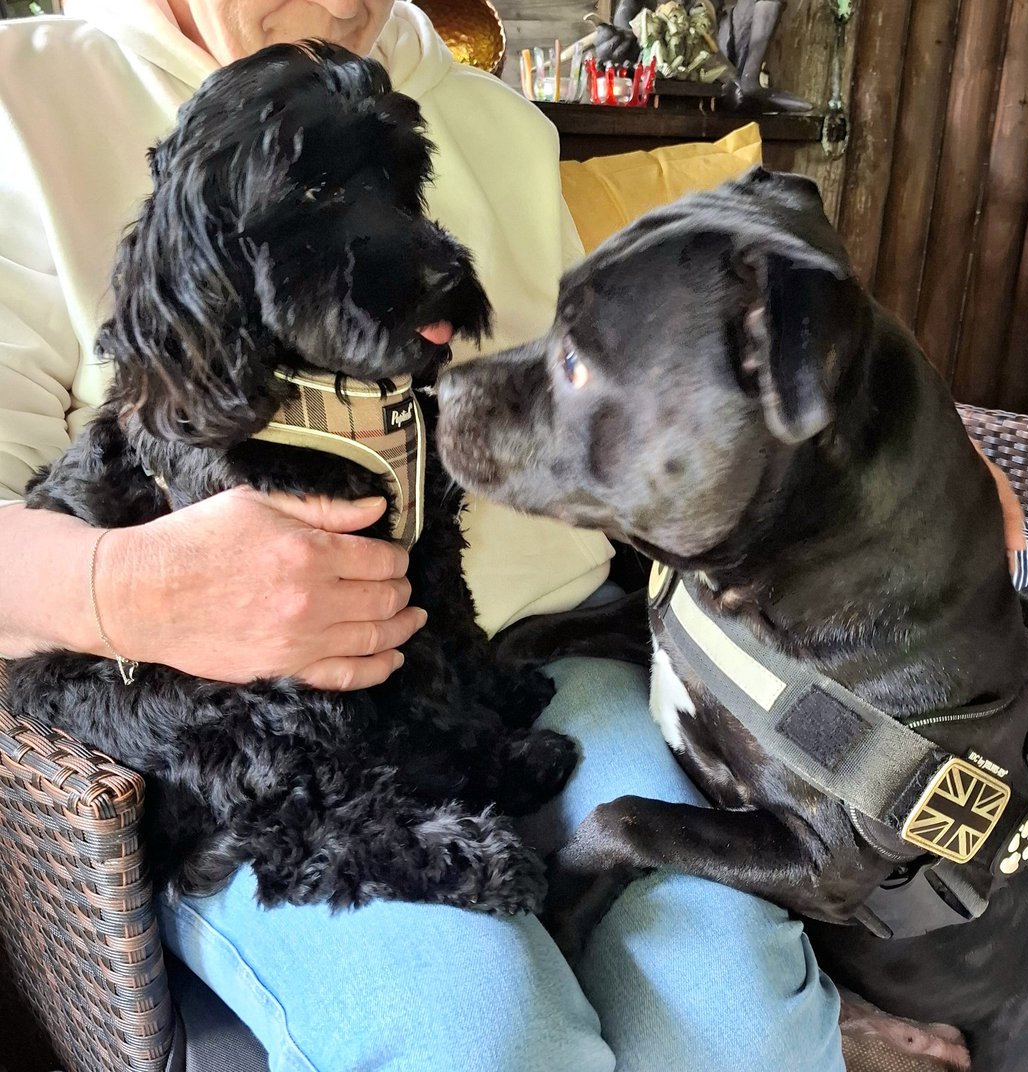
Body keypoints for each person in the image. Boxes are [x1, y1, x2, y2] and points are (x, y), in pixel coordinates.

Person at [0, 3, 855, 1070]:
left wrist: (859, 463)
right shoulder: (22, 98)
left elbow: (642, 404)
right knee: (488, 1037)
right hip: (226, 736)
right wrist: (122, 587)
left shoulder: (497, 119)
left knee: (739, 1018)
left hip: (540, 661)